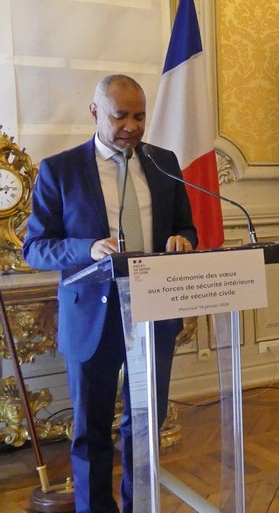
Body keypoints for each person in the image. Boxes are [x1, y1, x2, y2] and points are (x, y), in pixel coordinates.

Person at [23, 75, 198, 512]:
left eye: (140, 116)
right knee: (91, 430)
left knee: (145, 426)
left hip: (154, 311)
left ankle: (140, 506)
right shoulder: (60, 170)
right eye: (120, 116)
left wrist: (183, 240)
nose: (132, 127)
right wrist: (88, 249)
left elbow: (185, 226)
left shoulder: (162, 162)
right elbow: (36, 248)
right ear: (95, 113)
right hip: (92, 317)